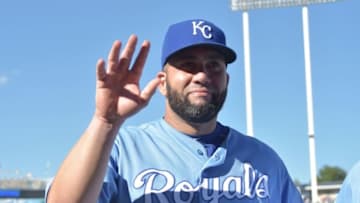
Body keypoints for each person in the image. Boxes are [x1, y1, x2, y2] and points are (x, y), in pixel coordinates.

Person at [45, 19, 303, 203]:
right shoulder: (121, 147)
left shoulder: (264, 159)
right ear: (162, 83)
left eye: (213, 65)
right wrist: (105, 122)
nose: (202, 75)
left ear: (227, 80)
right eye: (187, 65)